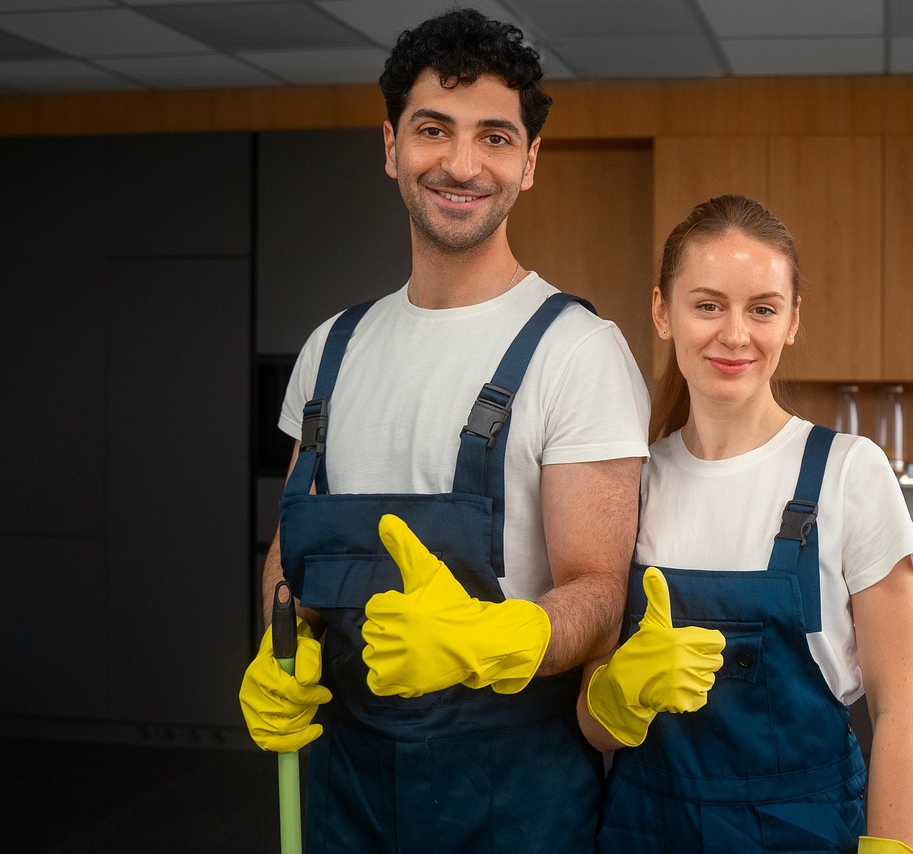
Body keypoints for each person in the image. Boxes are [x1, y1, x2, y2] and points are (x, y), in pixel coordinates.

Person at [238, 8, 649, 852]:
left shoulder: (579, 353)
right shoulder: (332, 348)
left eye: (495, 137)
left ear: (528, 162)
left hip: (512, 801)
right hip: (341, 785)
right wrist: (278, 648)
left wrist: (501, 636)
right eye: (434, 130)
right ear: (391, 146)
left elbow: (601, 599)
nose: (462, 164)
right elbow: (291, 553)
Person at [578, 195, 913, 853]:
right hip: (643, 830)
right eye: (707, 305)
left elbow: (901, 712)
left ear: (793, 321)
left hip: (800, 832)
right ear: (662, 311)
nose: (734, 334)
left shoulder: (848, 473)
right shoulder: (629, 484)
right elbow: (592, 728)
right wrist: (618, 695)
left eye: (762, 308)